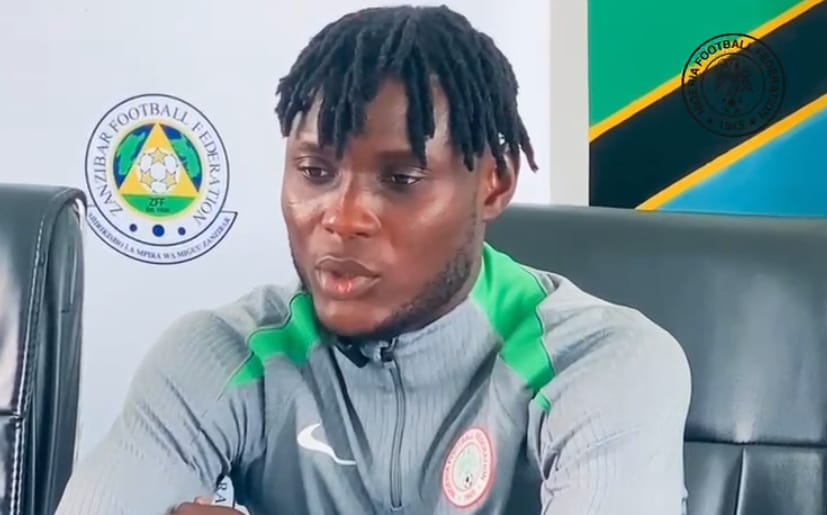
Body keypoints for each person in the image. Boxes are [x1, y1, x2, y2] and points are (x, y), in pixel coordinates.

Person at [56, 5, 691, 514]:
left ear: (493, 183)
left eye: (401, 179)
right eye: (315, 171)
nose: (343, 217)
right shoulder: (220, 354)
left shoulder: (603, 360)